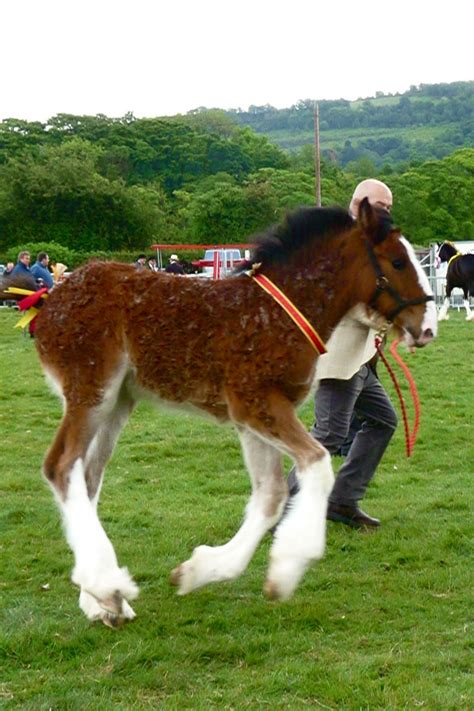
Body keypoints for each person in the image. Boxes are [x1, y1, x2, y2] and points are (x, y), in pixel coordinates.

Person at [286, 179, 397, 529]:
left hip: (361, 359)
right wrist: (386, 318)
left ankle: (343, 501)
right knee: (329, 435)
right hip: (338, 359)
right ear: (362, 203)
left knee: (382, 421)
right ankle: (283, 506)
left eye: (389, 209)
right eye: (383, 207)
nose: (387, 214)